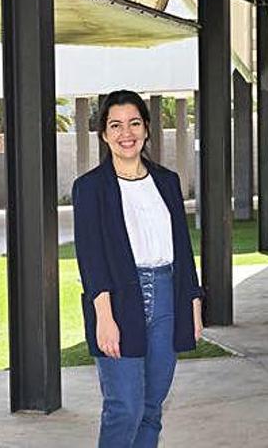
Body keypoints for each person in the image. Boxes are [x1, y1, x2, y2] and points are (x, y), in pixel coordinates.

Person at [72, 90, 204, 447]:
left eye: (133, 123)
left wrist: (192, 304)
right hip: (118, 300)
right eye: (115, 125)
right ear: (103, 134)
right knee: (124, 407)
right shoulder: (90, 188)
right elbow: (91, 258)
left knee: (151, 407)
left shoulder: (167, 181)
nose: (125, 133)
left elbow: (182, 247)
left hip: (167, 296)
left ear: (146, 128)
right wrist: (104, 316)